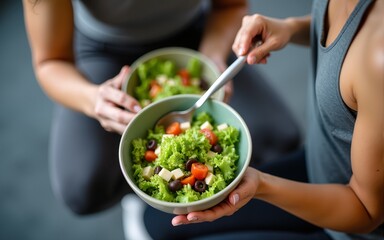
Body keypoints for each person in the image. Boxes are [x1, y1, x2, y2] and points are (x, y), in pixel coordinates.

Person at [22, 0, 302, 239]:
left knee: (282, 139)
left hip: (199, 34)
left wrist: (212, 57)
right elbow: (49, 61)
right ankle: (137, 197)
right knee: (81, 188)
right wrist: (94, 99)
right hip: (103, 51)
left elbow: (231, 5)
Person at [172, 0, 384, 239]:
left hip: (347, 225)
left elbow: (366, 211)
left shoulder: (379, 59)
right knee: (156, 222)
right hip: (319, 164)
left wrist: (260, 185)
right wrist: (291, 27)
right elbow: (345, 33)